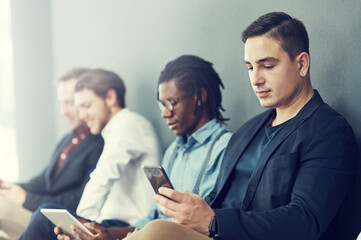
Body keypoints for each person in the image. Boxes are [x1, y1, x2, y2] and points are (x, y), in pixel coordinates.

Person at [114, 12, 358, 240]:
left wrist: (213, 221)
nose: (256, 79)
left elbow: (305, 220)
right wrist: (191, 212)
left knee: (156, 231)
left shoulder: (328, 131)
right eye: (250, 67)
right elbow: (218, 199)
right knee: (152, 229)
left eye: (268, 66)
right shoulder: (247, 132)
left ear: (302, 64)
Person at [23, 55, 233, 240]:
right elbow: (150, 220)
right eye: (161, 105)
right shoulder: (174, 152)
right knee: (51, 220)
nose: (164, 113)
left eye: (171, 103)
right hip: (146, 230)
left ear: (200, 97)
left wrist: (90, 223)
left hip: (169, 234)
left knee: (44, 215)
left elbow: (207, 222)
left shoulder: (226, 147)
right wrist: (97, 232)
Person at [18, 68, 161, 240]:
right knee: (48, 219)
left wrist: (80, 224)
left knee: (43, 217)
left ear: (110, 97)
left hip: (128, 225)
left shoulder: (129, 123)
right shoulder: (111, 132)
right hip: (109, 221)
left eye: (86, 106)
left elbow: (104, 176)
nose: (83, 115)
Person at [0, 68, 104, 239]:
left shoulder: (98, 143)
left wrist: (26, 199)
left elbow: (81, 201)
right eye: (62, 103)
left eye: (69, 103)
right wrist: (8, 187)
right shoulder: (68, 139)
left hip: (53, 220)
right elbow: (44, 181)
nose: (63, 111)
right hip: (38, 211)